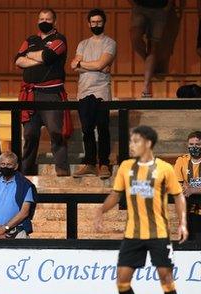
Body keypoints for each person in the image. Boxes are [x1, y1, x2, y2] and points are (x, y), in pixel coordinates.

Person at [94, 125, 188, 294]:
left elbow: (178, 196)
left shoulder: (165, 168)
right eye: (131, 141)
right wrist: (101, 209)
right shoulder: (126, 168)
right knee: (122, 281)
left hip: (159, 233)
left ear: (148, 143)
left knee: (166, 279)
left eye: (135, 141)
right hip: (132, 234)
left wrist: (183, 222)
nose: (131, 145)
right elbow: (116, 195)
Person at [15, 8, 72, 176]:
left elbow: (48, 57)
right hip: (30, 95)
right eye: (41, 18)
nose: (44, 21)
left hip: (51, 94)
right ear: (37, 21)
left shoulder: (59, 39)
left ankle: (62, 170)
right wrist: (39, 59)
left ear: (54, 22)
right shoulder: (30, 40)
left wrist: (31, 57)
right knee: (30, 134)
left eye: (48, 19)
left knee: (56, 133)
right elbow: (18, 60)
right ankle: (26, 171)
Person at [71, 8, 116, 179]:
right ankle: (89, 163)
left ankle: (104, 163)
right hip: (84, 91)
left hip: (101, 91)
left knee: (103, 128)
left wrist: (82, 64)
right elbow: (74, 66)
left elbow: (99, 64)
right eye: (93, 22)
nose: (96, 24)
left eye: (99, 21)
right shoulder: (83, 44)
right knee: (87, 129)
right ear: (88, 23)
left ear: (104, 22)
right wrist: (96, 65)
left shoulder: (109, 42)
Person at [129, 0, 179, 98]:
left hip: (160, 9)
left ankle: (146, 87)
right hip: (140, 7)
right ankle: (152, 65)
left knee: (153, 46)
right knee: (135, 38)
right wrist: (134, 4)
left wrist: (168, 6)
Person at [0, 152, 36, 239]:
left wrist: (4, 228)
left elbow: (24, 212)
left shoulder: (25, 185)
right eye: (3, 164)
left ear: (16, 166)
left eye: (9, 165)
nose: (5, 167)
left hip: (18, 232)